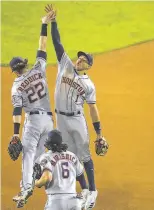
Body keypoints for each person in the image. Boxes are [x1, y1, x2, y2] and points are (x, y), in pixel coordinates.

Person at [45, 4, 109, 210]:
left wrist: (99, 133)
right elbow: (57, 42)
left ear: (88, 66)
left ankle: (92, 191)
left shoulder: (89, 84)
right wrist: (53, 22)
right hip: (61, 119)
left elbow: (92, 108)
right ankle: (73, 192)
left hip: (76, 119)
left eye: (85, 59)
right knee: (68, 155)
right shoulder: (65, 65)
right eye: (80, 56)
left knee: (84, 154)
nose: (80, 59)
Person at [8, 11, 56, 206]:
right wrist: (44, 24)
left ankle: (26, 188)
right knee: (37, 155)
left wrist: (16, 135)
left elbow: (17, 112)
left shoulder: (16, 86)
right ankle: (38, 179)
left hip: (34, 122)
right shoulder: (38, 68)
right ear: (25, 65)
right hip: (49, 121)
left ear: (14, 70)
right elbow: (42, 47)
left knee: (27, 155)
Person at [17, 129, 84, 210]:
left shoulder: (46, 157)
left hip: (56, 201)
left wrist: (36, 183)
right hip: (74, 200)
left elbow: (47, 177)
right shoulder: (72, 155)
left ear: (48, 142)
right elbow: (81, 176)